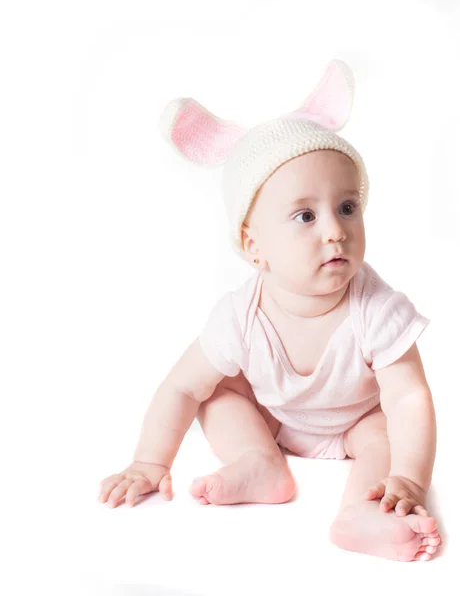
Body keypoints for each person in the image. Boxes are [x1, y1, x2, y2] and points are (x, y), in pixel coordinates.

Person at [98, 60, 442, 562]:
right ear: (253, 245)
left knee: (383, 434)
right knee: (214, 396)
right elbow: (180, 386)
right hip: (274, 418)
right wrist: (149, 462)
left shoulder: (377, 309)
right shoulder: (240, 316)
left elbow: (409, 397)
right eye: (306, 215)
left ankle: (361, 512)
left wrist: (409, 478)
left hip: (354, 423)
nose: (335, 230)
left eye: (347, 207)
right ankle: (258, 461)